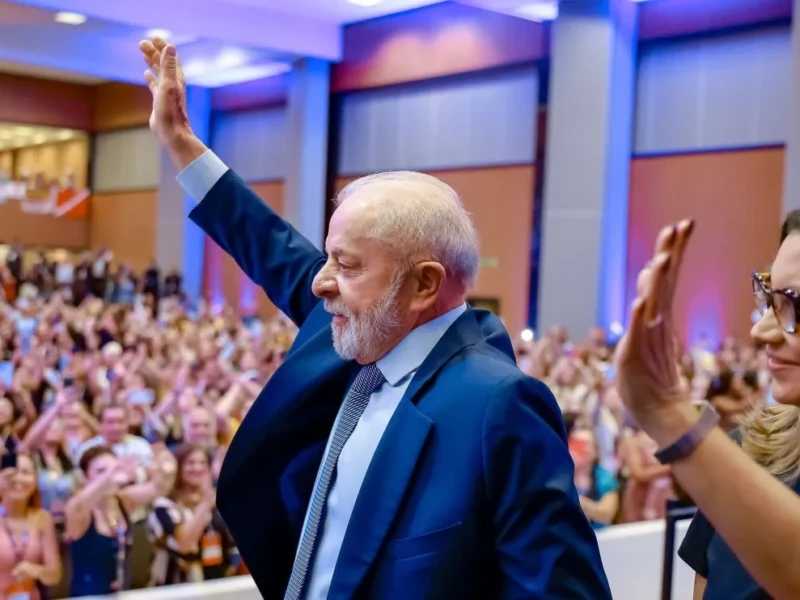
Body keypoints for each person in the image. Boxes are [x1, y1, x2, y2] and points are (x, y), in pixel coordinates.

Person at [139, 36, 611, 600]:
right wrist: (182, 145)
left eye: (346, 263)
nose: (320, 281)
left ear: (424, 284)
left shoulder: (498, 406)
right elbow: (271, 246)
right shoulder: (357, 327)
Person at [615, 217, 800, 599]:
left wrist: (670, 413)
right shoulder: (747, 449)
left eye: (793, 305)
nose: (761, 331)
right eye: (769, 299)